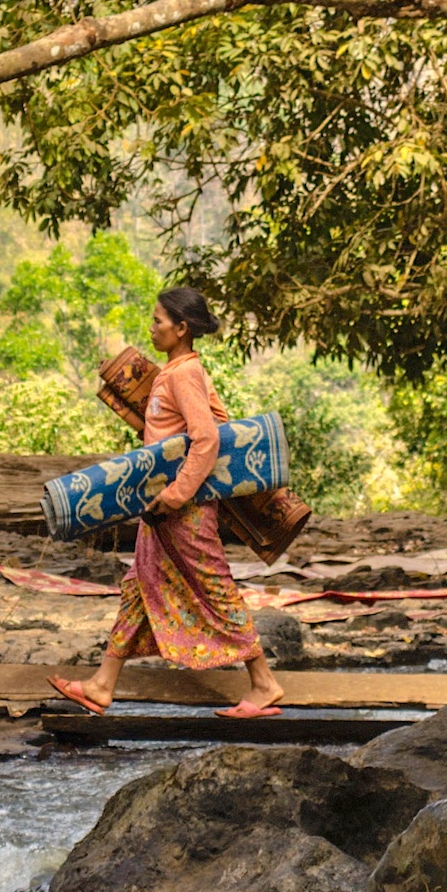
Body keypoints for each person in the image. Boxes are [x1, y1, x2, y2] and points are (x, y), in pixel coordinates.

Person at [52, 285, 286, 719]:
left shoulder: (184, 374)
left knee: (213, 586)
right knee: (138, 585)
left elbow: (207, 438)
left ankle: (265, 683)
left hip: (186, 508)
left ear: (181, 329)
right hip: (161, 508)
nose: (151, 327)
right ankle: (103, 685)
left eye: (158, 321)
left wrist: (175, 495)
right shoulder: (174, 371)